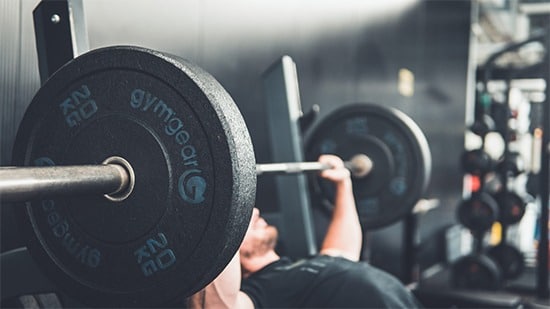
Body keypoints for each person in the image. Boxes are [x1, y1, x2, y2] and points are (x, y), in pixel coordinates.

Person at [188, 154, 422, 308]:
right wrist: (223, 217)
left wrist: (343, 185)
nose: (255, 212)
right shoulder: (261, 291)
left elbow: (341, 251)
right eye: (243, 220)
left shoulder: (299, 267)